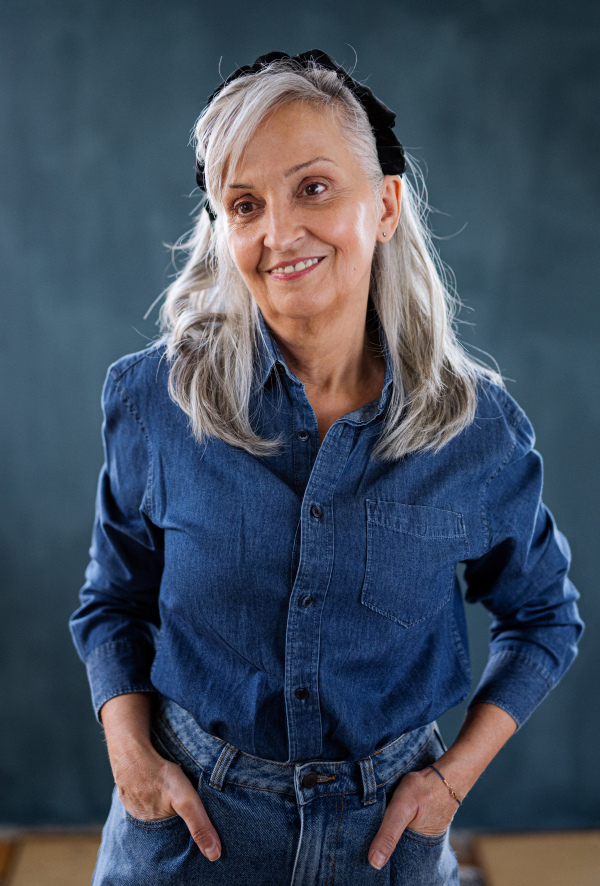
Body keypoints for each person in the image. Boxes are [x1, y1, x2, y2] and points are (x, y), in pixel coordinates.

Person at [70, 49, 583, 886]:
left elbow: (544, 619)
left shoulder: (479, 430)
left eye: (313, 188)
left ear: (384, 204)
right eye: (244, 205)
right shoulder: (151, 401)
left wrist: (449, 782)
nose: (279, 233)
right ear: (223, 230)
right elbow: (112, 603)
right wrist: (134, 762)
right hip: (188, 836)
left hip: (387, 844)